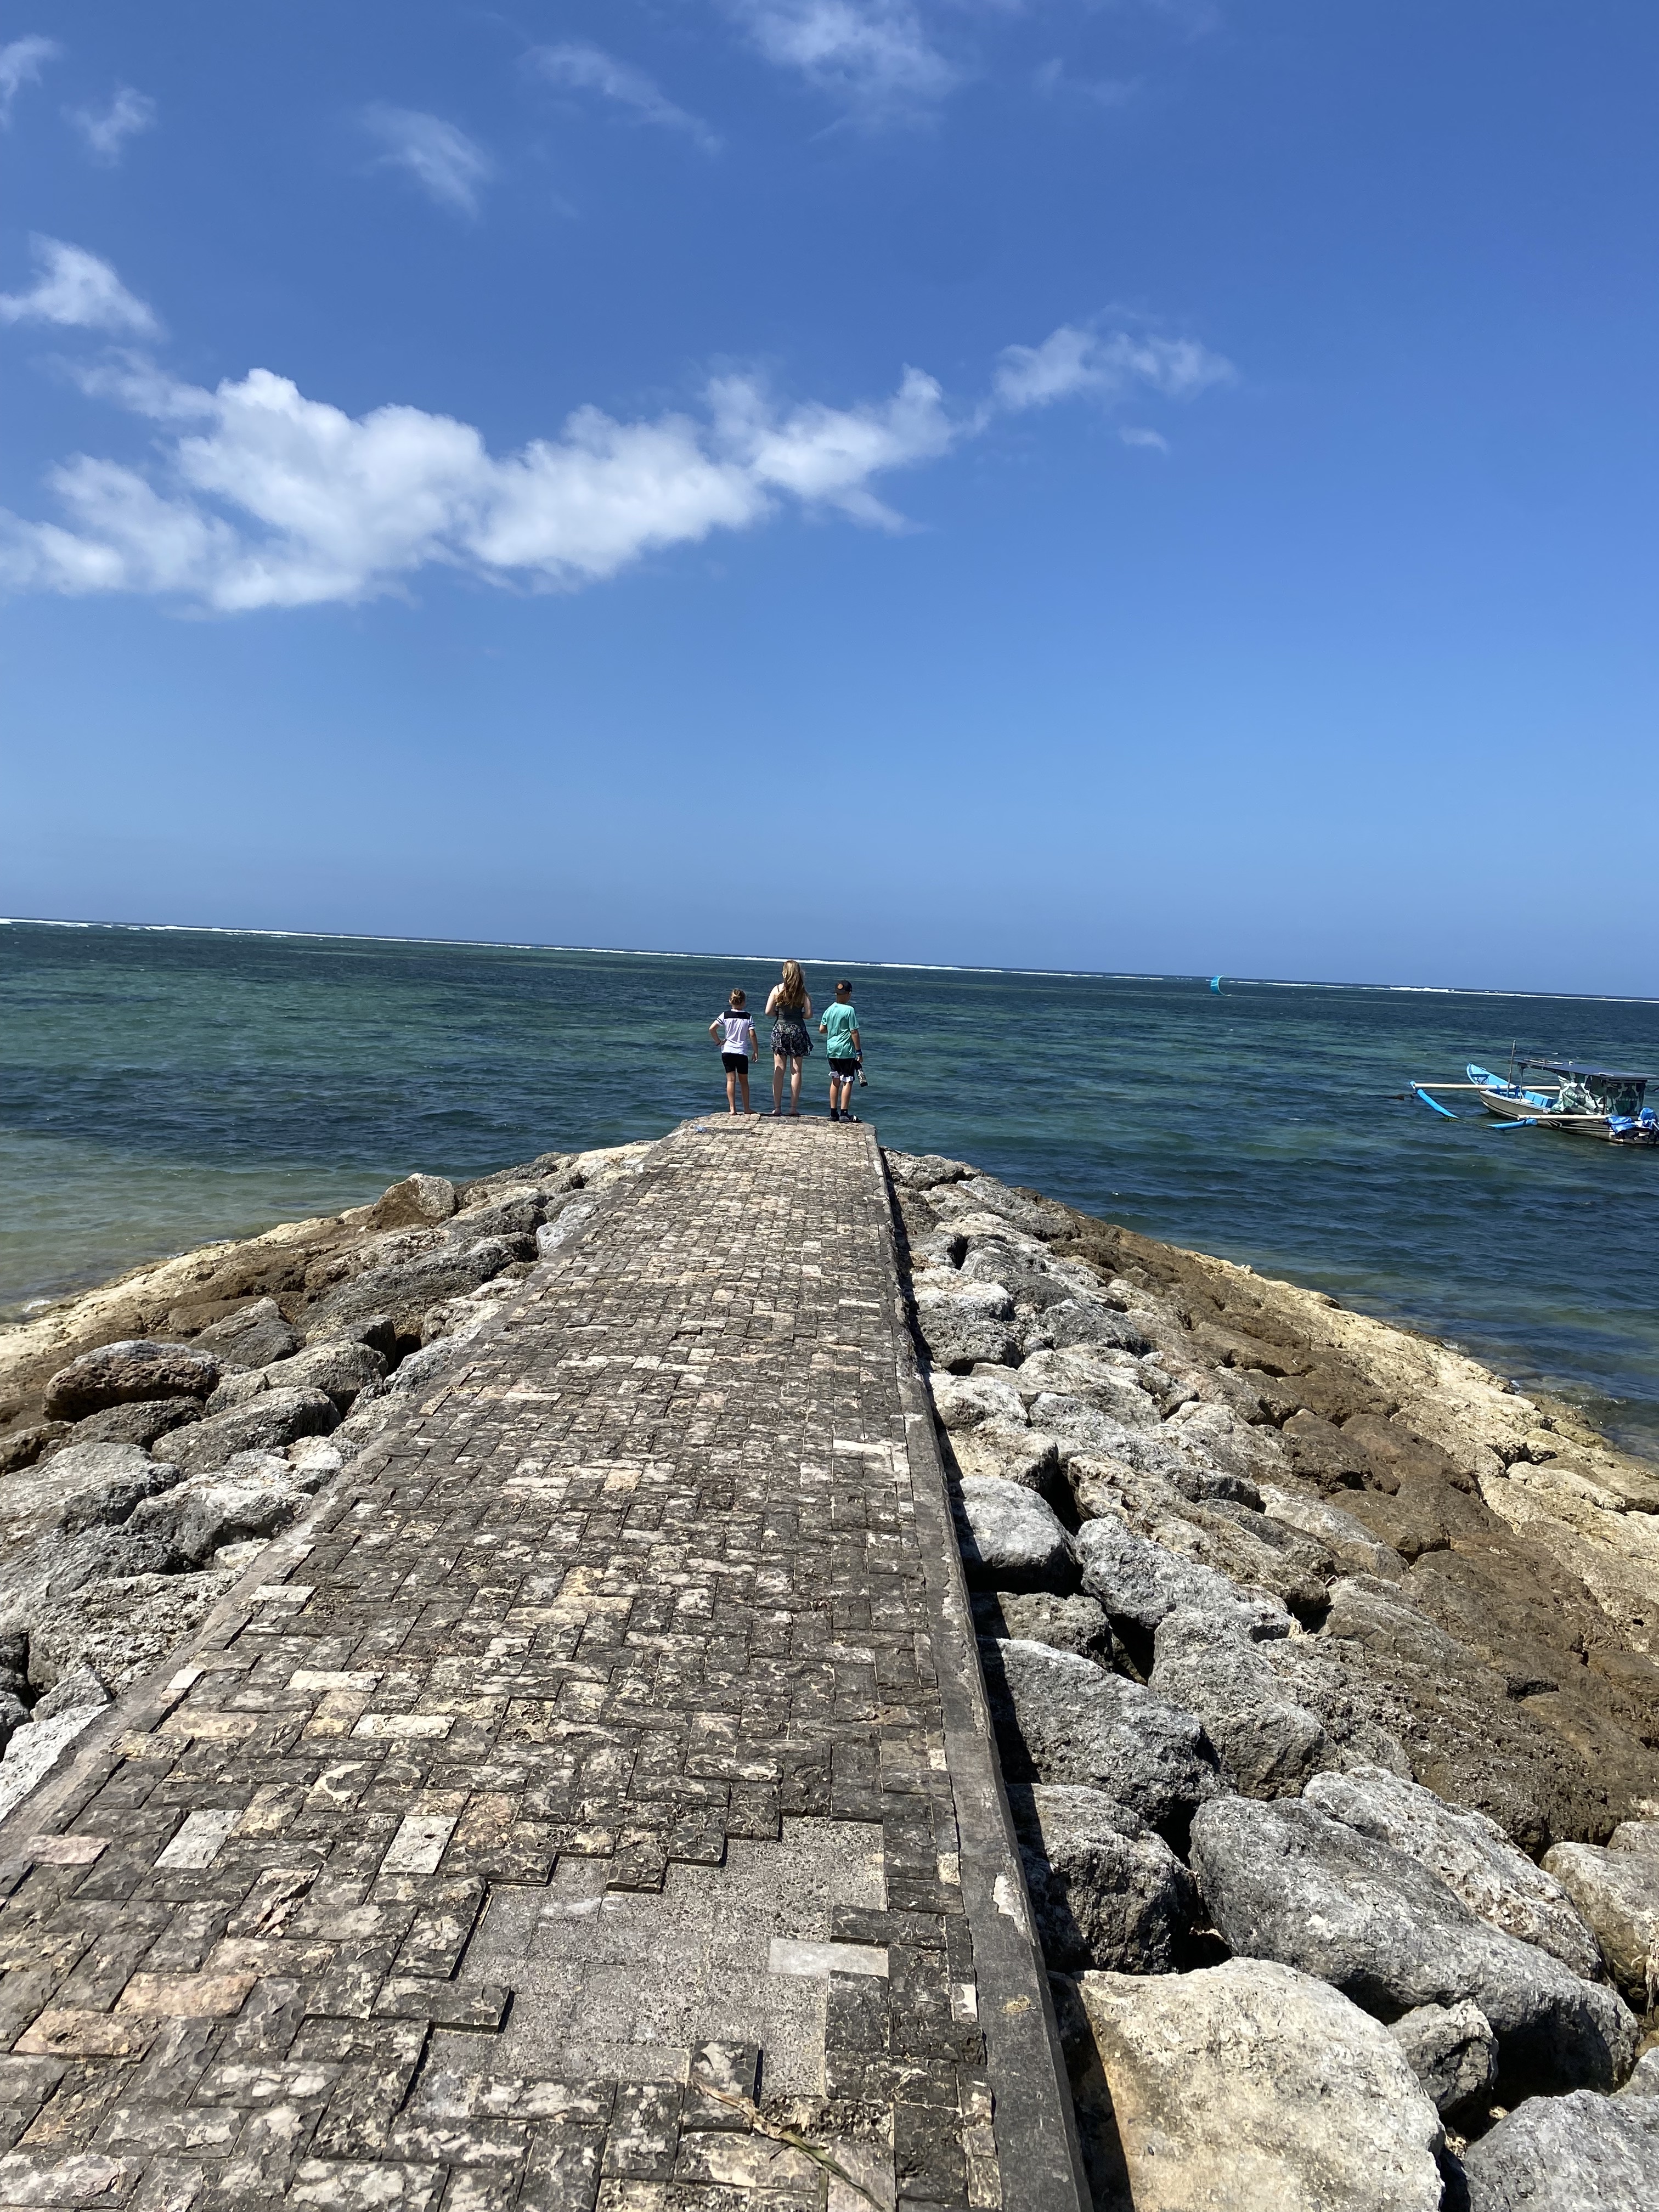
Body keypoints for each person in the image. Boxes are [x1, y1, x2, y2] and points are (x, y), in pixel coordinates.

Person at [765, 960, 813, 1116]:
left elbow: (768, 1012)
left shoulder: (777, 989)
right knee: (796, 1070)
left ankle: (777, 1108)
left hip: (780, 1030)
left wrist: (779, 1014)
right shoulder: (802, 992)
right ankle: (793, 1108)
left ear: (785, 973)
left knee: (779, 1070)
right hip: (797, 1030)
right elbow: (809, 1014)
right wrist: (798, 1015)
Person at [709, 988, 758, 1115]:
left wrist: (718, 1042)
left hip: (727, 1051)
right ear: (744, 1002)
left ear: (730, 1001)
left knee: (731, 1081)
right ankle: (747, 1108)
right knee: (744, 1082)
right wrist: (755, 1051)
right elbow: (752, 1035)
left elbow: (712, 1029)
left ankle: (732, 1109)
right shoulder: (748, 1017)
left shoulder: (725, 1015)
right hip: (741, 1052)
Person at [819, 979, 861, 1122]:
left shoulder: (830, 1009)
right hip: (846, 1051)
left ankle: (833, 1113)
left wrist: (834, 1029)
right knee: (848, 1081)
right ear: (849, 994)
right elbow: (854, 1032)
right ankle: (844, 1113)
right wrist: (859, 1051)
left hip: (832, 1050)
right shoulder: (850, 1010)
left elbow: (822, 1029)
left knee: (835, 1080)